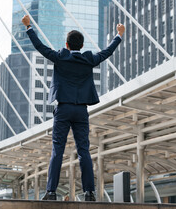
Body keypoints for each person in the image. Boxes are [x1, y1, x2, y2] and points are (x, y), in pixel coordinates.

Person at [22, 15, 125, 201]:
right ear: (82, 46)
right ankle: (89, 192)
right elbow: (107, 52)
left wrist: (29, 26)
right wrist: (118, 35)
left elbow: (40, 47)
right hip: (81, 111)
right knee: (84, 150)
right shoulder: (89, 59)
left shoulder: (60, 57)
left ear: (67, 45)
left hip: (63, 109)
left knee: (57, 150)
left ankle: (51, 192)